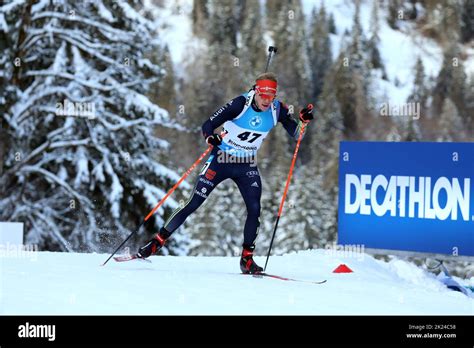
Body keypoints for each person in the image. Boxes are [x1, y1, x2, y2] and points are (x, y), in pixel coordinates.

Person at [136, 72, 314, 274]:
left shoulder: (277, 109)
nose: (266, 100)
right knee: (194, 202)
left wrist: (303, 121)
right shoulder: (239, 104)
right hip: (221, 159)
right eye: (263, 94)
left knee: (255, 209)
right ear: (256, 91)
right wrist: (210, 138)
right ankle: (156, 242)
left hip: (247, 164)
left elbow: (297, 133)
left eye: (271, 96)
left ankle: (246, 259)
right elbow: (208, 124)